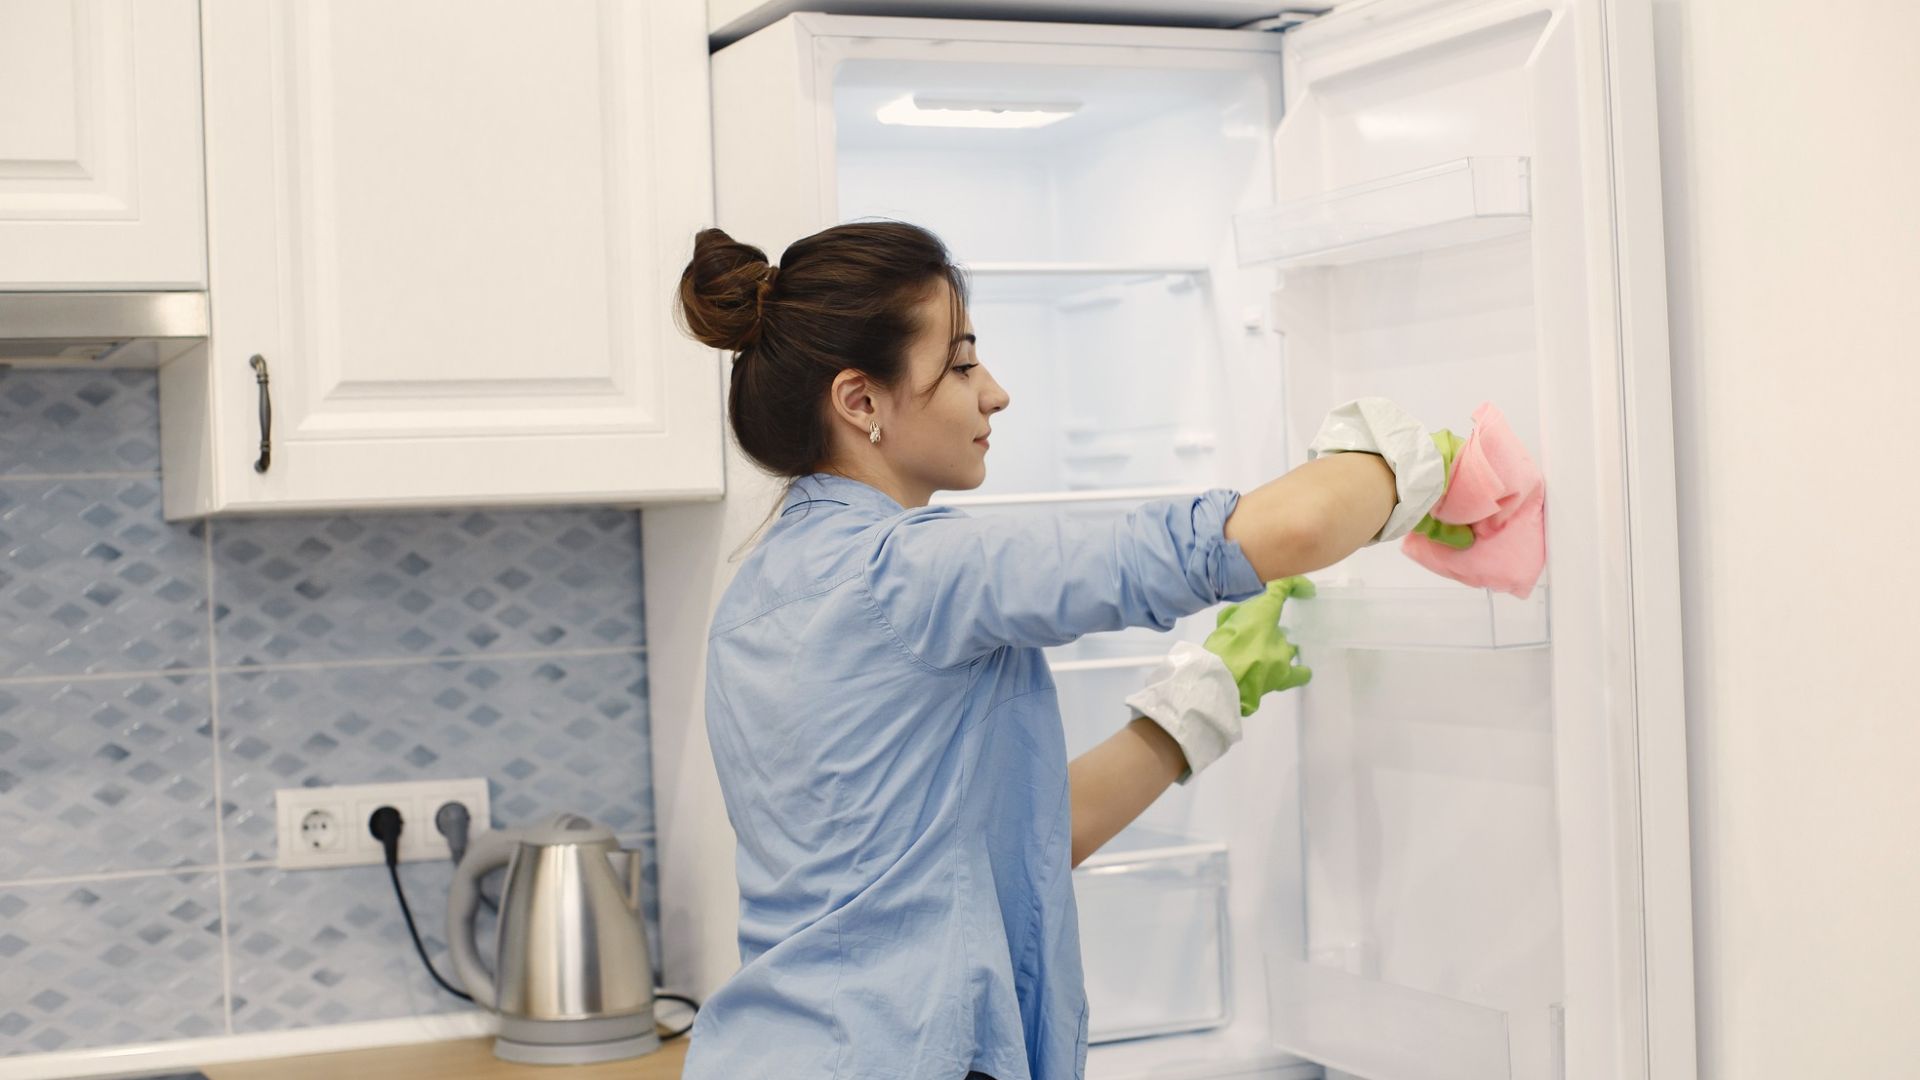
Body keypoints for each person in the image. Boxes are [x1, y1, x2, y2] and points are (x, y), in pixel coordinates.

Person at [673, 221, 1447, 1080]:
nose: (994, 394)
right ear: (861, 403)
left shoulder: (758, 593)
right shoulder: (917, 569)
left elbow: (1013, 840)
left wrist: (1202, 699)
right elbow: (1281, 529)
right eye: (962, 364)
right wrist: (1420, 459)